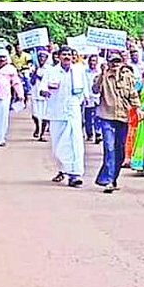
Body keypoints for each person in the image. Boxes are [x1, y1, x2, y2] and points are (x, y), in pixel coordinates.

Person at [93, 52, 143, 193]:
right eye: (112, 62)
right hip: (106, 116)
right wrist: (102, 74)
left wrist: (137, 108)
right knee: (109, 148)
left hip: (123, 116)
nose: (115, 65)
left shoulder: (127, 77)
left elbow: (133, 94)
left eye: (117, 62)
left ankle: (113, 178)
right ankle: (108, 180)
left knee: (119, 150)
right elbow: (95, 90)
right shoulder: (103, 77)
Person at [41, 46, 89, 187]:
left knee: (75, 143)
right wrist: (45, 92)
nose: (67, 57)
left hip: (73, 111)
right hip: (57, 112)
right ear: (58, 56)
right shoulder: (52, 71)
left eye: (69, 54)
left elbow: (84, 89)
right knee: (59, 146)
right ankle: (64, 169)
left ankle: (75, 174)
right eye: (64, 54)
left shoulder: (78, 70)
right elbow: (42, 88)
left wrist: (86, 98)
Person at [28, 49, 52, 141]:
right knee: (35, 114)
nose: (42, 59)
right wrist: (34, 72)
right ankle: (37, 127)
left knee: (45, 115)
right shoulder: (34, 67)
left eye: (43, 57)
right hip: (35, 93)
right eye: (40, 57)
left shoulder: (49, 69)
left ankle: (42, 134)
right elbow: (32, 81)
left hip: (45, 94)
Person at [82, 54, 103, 143]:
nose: (92, 63)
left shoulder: (100, 72)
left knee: (98, 116)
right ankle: (89, 133)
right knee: (88, 117)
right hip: (88, 96)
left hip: (98, 97)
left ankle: (98, 133)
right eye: (91, 60)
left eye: (94, 61)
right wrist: (85, 96)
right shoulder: (85, 72)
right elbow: (84, 84)